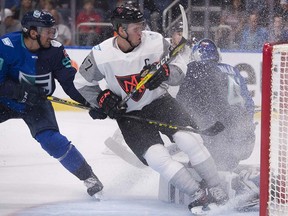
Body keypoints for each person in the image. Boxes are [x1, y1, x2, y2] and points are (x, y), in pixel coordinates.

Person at [74, 5, 228, 214]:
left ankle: (216, 187)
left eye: (142, 26)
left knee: (190, 140)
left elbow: (180, 66)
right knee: (156, 158)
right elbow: (82, 82)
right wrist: (102, 99)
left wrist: (166, 72)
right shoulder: (101, 54)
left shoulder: (155, 41)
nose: (141, 31)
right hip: (129, 115)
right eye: (136, 28)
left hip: (160, 103)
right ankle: (198, 194)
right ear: (120, 30)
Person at [0, 10, 104, 198]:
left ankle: (89, 177)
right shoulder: (6, 46)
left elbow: (70, 83)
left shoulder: (55, 50)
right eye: (48, 31)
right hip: (5, 101)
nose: (53, 35)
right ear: (33, 32)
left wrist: (94, 102)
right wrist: (19, 92)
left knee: (52, 141)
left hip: (36, 104)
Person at [176, 38, 256, 172]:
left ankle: (214, 171)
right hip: (245, 138)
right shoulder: (233, 70)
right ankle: (227, 164)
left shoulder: (197, 71)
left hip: (220, 137)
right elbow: (248, 103)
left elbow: (185, 103)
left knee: (204, 149)